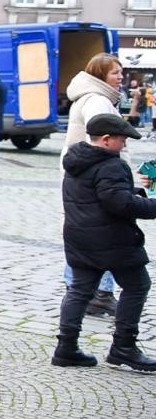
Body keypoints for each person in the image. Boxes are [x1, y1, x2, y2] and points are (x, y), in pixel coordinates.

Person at [55, 114, 156, 373]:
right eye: (122, 140)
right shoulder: (111, 164)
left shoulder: (77, 159)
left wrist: (137, 192)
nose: (124, 145)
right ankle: (124, 346)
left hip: (80, 236)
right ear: (107, 139)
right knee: (137, 286)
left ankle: (66, 347)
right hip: (111, 241)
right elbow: (119, 204)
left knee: (79, 290)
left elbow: (99, 195)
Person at [62, 52, 126, 315]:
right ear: (100, 75)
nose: (120, 77)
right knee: (105, 233)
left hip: (85, 175)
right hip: (95, 176)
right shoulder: (98, 99)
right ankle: (99, 292)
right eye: (115, 72)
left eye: (121, 72)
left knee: (82, 231)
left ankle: (78, 288)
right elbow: (101, 139)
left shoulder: (93, 96)